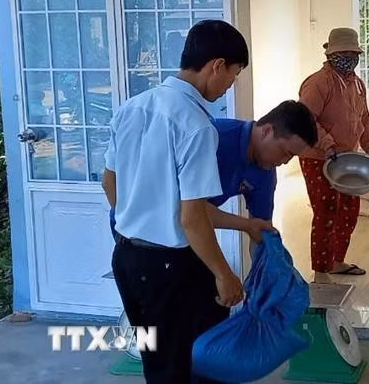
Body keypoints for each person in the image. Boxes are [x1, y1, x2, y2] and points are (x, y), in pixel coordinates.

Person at [102, 19, 248, 383]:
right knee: (194, 363)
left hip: (128, 259)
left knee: (160, 363)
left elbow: (109, 183)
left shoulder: (131, 108)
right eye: (232, 75)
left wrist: (138, 223)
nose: (230, 85)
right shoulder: (196, 125)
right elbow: (192, 217)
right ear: (217, 65)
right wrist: (224, 274)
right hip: (172, 268)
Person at [108, 101, 319, 246]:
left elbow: (260, 230)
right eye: (285, 152)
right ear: (266, 131)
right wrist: (245, 227)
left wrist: (262, 281)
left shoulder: (264, 171)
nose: (284, 162)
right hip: (140, 225)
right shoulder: (213, 139)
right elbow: (185, 208)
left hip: (185, 230)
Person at [298, 27, 369, 284]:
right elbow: (304, 119)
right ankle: (321, 272)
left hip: (347, 159)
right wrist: (328, 144)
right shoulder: (318, 83)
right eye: (342, 53)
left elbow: (363, 121)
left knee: (348, 210)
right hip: (318, 158)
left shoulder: (357, 84)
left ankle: (336, 261)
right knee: (326, 212)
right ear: (330, 54)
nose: (348, 57)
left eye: (352, 53)